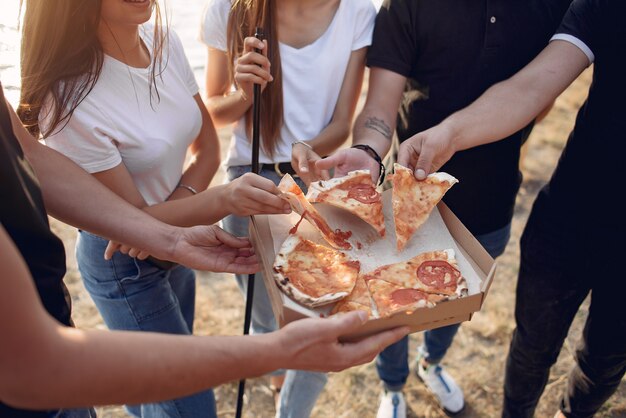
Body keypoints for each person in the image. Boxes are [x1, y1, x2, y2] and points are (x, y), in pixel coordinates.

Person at [1, 81, 408, 417]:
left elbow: (29, 153)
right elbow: (31, 365)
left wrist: (170, 238)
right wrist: (275, 352)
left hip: (58, 332)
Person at [296, 0, 571, 416]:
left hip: (491, 205)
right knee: (390, 306)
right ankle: (392, 386)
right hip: (405, 207)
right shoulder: (405, 6)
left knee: (454, 307)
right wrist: (369, 149)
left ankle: (432, 362)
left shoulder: (551, 6)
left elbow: (540, 97)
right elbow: (379, 107)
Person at [18, 1, 290, 416]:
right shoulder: (67, 96)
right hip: (125, 267)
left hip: (182, 245)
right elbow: (129, 227)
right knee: (190, 404)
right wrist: (218, 200)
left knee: (158, 397)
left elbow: (209, 148)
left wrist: (178, 215)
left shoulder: (163, 40)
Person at [392, 0, 626, 416]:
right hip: (572, 214)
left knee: (604, 363)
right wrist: (450, 133)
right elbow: (532, 87)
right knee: (530, 349)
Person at [200, 0, 376, 414]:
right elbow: (211, 111)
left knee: (322, 328)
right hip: (248, 181)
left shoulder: (358, 12)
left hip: (314, 180)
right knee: (266, 318)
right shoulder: (228, 9)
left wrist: (308, 149)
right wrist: (244, 93)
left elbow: (341, 124)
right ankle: (277, 374)